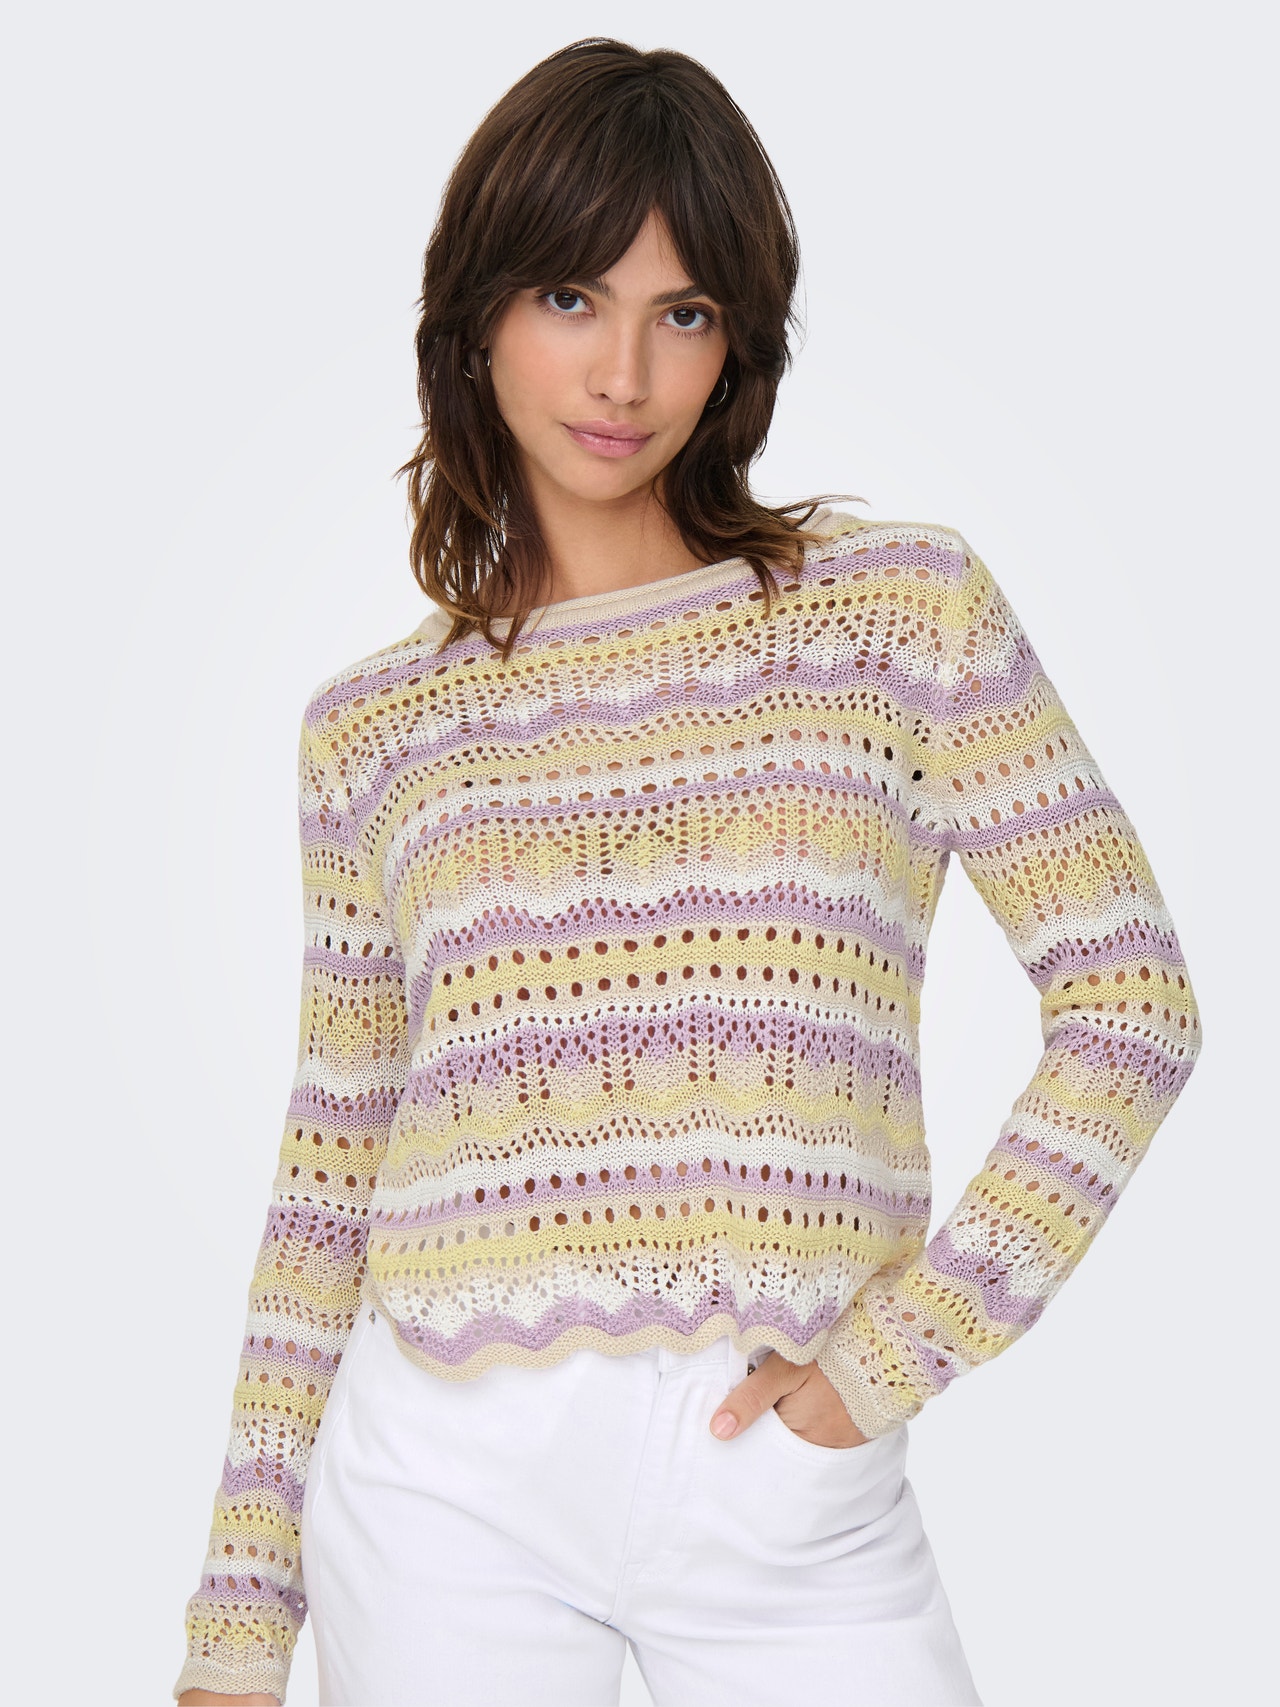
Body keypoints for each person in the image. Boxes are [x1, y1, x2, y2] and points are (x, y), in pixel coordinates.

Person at [173, 36, 1203, 1707]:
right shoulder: (375, 731)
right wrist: (237, 1626)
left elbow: (1132, 1010)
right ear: (477, 321)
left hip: (784, 1484)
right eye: (571, 298)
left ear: (739, 345)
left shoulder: (901, 617)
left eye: (686, 312)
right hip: (439, 1489)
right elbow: (328, 1179)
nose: (623, 373)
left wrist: (881, 1371)